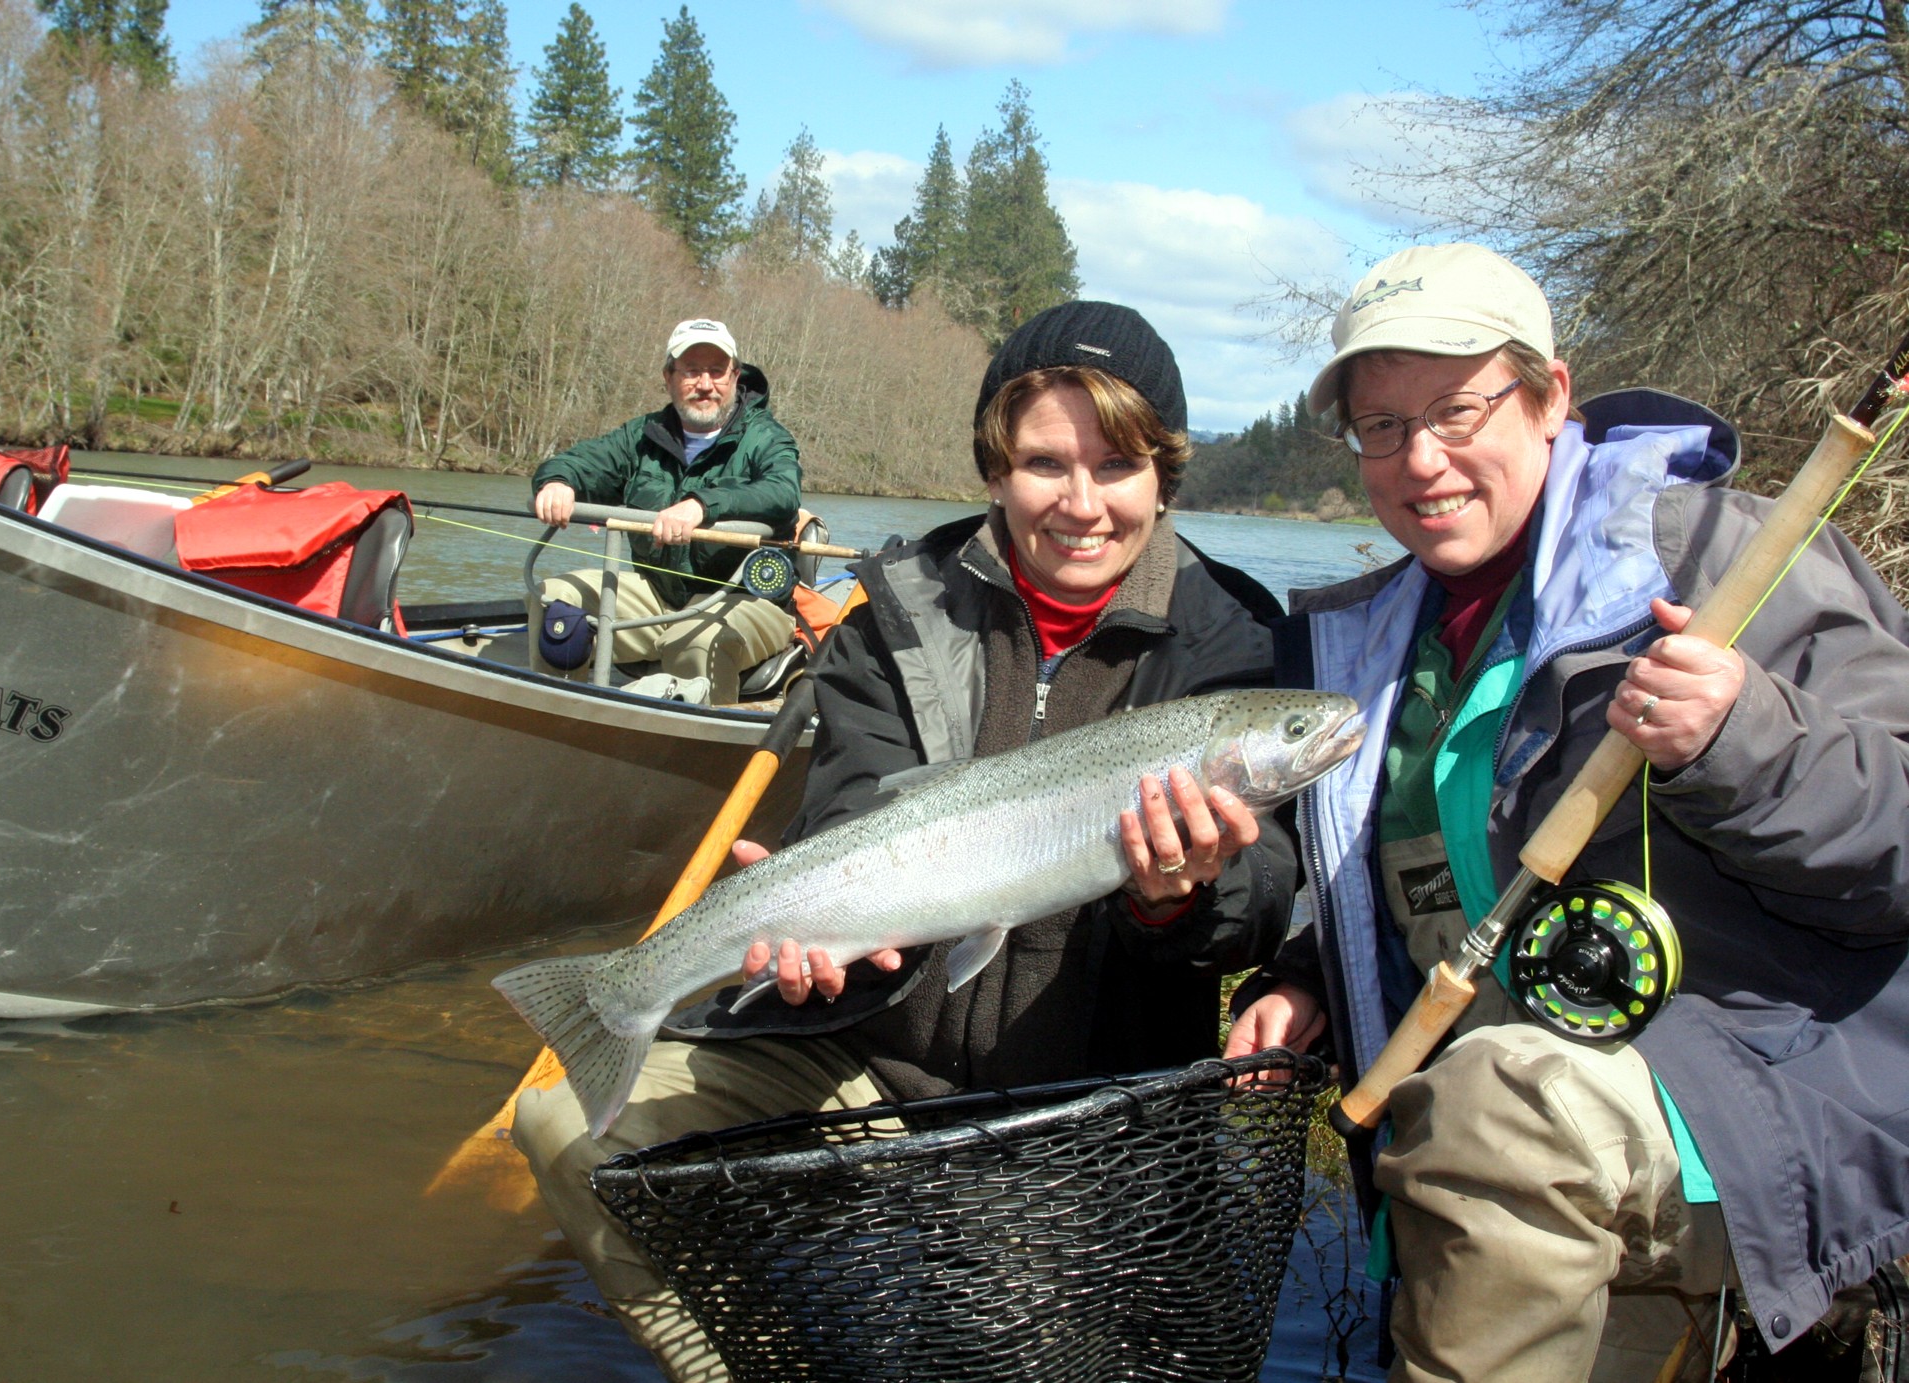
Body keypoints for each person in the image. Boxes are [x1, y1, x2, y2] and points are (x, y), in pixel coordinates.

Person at [515, 300, 1301, 1383]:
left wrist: (1179, 895)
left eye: (1115, 466)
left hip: (1084, 1104)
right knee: (565, 1122)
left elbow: (1267, 897)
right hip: (867, 1054)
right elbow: (850, 821)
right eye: (1042, 464)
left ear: (1164, 473)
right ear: (993, 469)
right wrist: (804, 959)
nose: (1080, 503)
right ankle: (746, 1367)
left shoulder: (1236, 639)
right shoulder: (896, 605)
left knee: (1014, 1347)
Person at [1225, 242, 1909, 1382]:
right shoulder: (1362, 640)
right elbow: (1409, 867)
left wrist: (1746, 738)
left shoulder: (1734, 554)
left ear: (1551, 398)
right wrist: (1302, 978)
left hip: (1756, 1108)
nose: (1421, 461)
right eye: (1380, 427)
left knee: (1500, 1114)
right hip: (1494, 1180)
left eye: (1455, 410)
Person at [529, 318, 800, 705]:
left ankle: (702, 752)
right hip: (658, 593)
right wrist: (556, 482)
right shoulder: (641, 435)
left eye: (716, 371)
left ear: (735, 377)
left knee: (695, 641)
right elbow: (580, 462)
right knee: (554, 600)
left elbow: (783, 491)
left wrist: (702, 505)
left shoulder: (767, 437)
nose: (704, 384)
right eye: (691, 371)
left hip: (749, 602)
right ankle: (558, 719)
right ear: (668, 378)